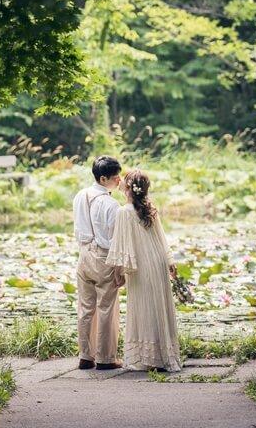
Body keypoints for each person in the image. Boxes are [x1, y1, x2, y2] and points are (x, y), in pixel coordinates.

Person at [106, 169, 181, 372]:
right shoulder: (150, 208)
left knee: (144, 307)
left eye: (124, 181)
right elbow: (161, 237)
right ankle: (163, 354)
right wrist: (169, 261)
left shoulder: (124, 212)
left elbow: (121, 246)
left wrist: (118, 272)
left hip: (141, 266)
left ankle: (150, 359)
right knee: (158, 306)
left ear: (129, 187)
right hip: (157, 262)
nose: (120, 181)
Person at [72, 155, 124, 370]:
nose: (119, 180)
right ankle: (105, 358)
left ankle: (86, 356)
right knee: (106, 308)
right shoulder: (111, 204)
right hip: (103, 257)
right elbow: (115, 239)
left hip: (83, 255)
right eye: (116, 177)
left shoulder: (80, 196)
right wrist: (121, 267)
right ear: (103, 179)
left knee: (85, 308)